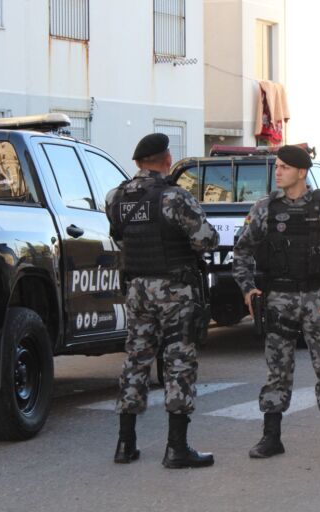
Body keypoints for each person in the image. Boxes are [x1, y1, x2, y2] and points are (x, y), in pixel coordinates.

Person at [233, 144, 320, 458]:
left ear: (302, 172)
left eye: (284, 167)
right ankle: (271, 438)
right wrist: (248, 289)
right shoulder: (265, 208)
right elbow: (242, 250)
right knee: (277, 370)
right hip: (278, 299)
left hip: (319, 298)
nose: (277, 172)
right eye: (277, 166)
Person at [105, 133, 219, 469]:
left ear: (138, 162)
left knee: (136, 360)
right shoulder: (175, 197)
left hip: (136, 289)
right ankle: (177, 448)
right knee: (179, 362)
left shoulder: (115, 197)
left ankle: (125, 444)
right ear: (167, 159)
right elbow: (206, 240)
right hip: (174, 290)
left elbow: (120, 237)